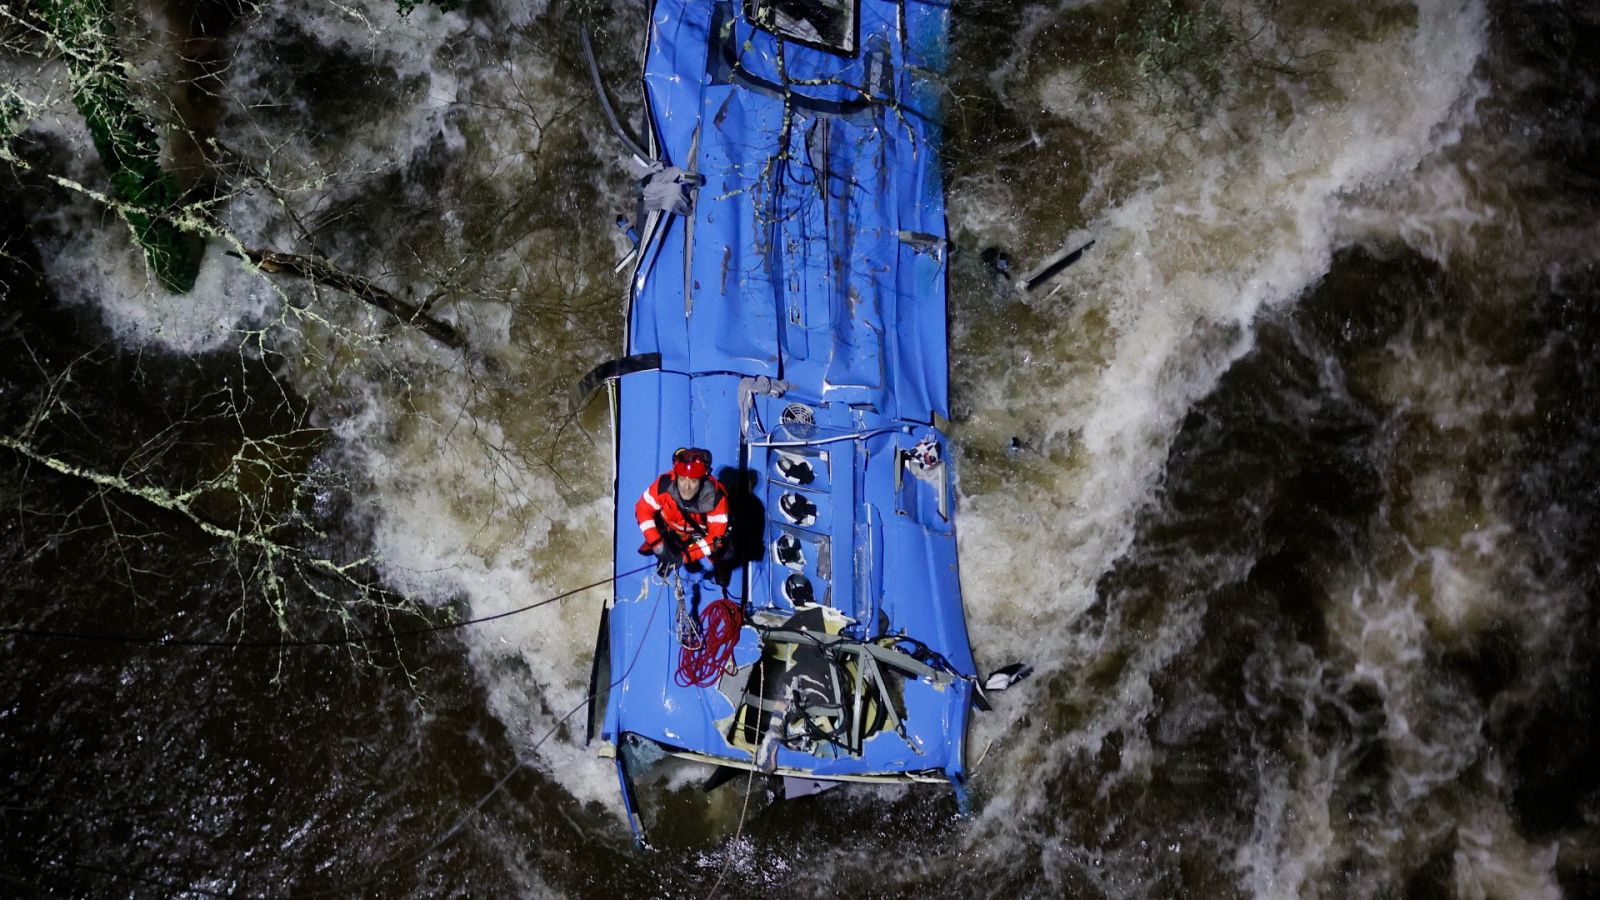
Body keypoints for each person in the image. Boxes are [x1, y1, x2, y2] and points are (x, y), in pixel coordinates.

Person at [636, 447, 731, 576]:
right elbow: (642, 509)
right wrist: (657, 545)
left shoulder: (716, 499)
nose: (686, 487)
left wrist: (686, 556)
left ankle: (719, 566)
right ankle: (666, 552)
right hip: (671, 529)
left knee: (722, 548)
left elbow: (715, 537)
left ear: (702, 480)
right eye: (682, 479)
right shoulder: (663, 485)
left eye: (693, 480)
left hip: (699, 533)